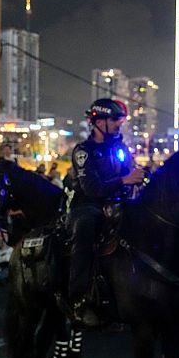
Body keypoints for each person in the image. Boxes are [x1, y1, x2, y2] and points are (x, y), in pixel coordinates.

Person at [65, 99, 144, 324]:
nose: (119, 125)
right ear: (98, 122)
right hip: (88, 205)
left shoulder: (119, 147)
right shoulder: (84, 151)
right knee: (85, 228)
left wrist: (141, 177)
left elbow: (131, 172)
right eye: (114, 120)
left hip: (118, 202)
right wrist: (124, 179)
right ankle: (79, 297)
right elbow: (91, 188)